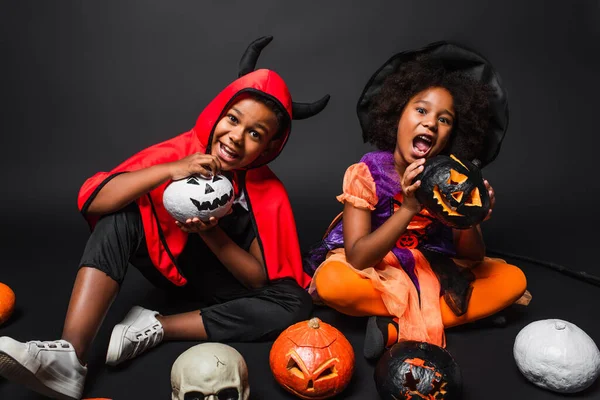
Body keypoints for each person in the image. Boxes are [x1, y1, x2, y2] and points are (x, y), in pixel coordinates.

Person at [0, 36, 329, 400]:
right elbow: (95, 200)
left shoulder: (267, 191)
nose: (236, 137)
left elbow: (257, 279)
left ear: (269, 147)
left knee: (294, 304)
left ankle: (157, 326)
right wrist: (171, 169)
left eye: (255, 134)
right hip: (167, 260)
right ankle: (70, 357)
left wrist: (211, 232)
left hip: (220, 279)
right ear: (220, 112)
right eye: (233, 120)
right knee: (120, 212)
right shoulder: (181, 152)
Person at [303, 41, 527, 361]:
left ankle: (391, 328)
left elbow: (473, 256)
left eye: (444, 119)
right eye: (421, 110)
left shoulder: (453, 180)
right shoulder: (366, 173)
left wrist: (470, 217)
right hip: (376, 269)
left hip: (430, 268)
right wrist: (409, 207)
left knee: (513, 281)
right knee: (332, 284)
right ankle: (454, 317)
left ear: (451, 135)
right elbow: (357, 257)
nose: (430, 123)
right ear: (398, 116)